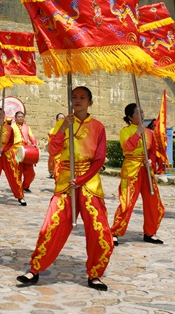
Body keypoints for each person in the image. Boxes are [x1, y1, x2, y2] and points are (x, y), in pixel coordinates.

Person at [17, 86, 112, 291]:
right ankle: (34, 269)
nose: (78, 100)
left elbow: (99, 158)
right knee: (50, 226)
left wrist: (83, 179)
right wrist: (62, 129)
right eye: (74, 97)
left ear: (90, 102)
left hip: (89, 181)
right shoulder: (62, 123)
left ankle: (95, 274)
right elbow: (52, 150)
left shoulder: (98, 127)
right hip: (66, 181)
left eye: (82, 98)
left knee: (99, 230)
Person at [111, 103, 165, 246]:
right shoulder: (125, 131)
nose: (141, 115)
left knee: (153, 201)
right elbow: (127, 147)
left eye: (142, 112)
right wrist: (136, 133)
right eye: (137, 113)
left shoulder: (149, 133)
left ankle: (150, 232)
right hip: (131, 169)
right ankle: (115, 232)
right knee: (127, 202)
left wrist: (150, 161)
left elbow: (153, 151)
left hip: (146, 170)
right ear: (130, 117)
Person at [0, 108, 26, 207]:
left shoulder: (9, 128)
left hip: (7, 153)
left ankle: (20, 196)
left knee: (13, 175)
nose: (1, 116)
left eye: (3, 114)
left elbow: (11, 142)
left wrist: (4, 149)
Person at [13, 111, 38, 193]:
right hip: (15, 150)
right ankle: (18, 187)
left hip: (26, 150)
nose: (20, 118)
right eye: (19, 117)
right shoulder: (11, 127)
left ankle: (25, 186)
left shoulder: (27, 127)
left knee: (30, 172)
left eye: (22, 117)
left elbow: (31, 136)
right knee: (17, 171)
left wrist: (34, 143)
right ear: (15, 118)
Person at [48, 113, 66, 178]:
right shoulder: (53, 130)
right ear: (56, 119)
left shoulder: (68, 129)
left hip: (65, 151)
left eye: (63, 118)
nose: (61, 119)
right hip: (57, 152)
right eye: (60, 118)